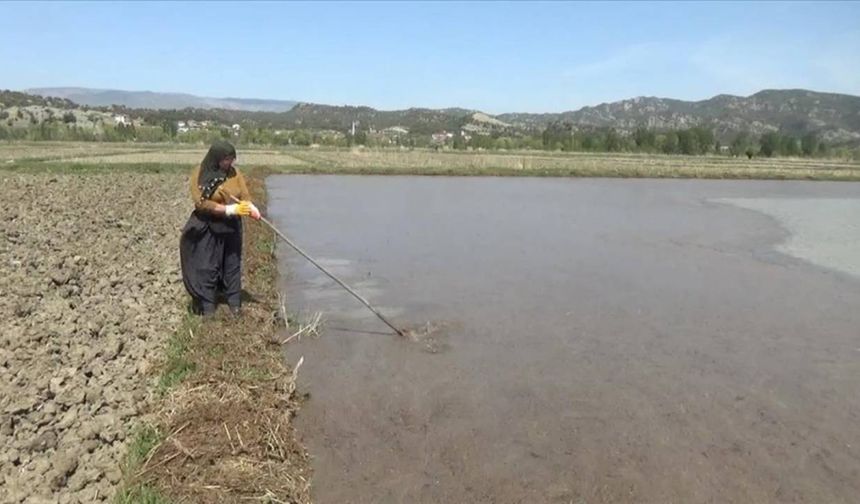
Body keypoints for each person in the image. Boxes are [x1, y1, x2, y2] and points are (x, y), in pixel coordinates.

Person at [179, 140, 261, 317]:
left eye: (232, 159)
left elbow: (244, 195)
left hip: (231, 226)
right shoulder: (200, 174)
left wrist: (251, 207)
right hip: (208, 226)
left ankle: (234, 304)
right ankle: (208, 306)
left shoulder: (235, 173)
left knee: (232, 264)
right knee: (209, 265)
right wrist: (227, 209)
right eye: (226, 159)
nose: (229, 163)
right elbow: (201, 202)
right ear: (216, 158)